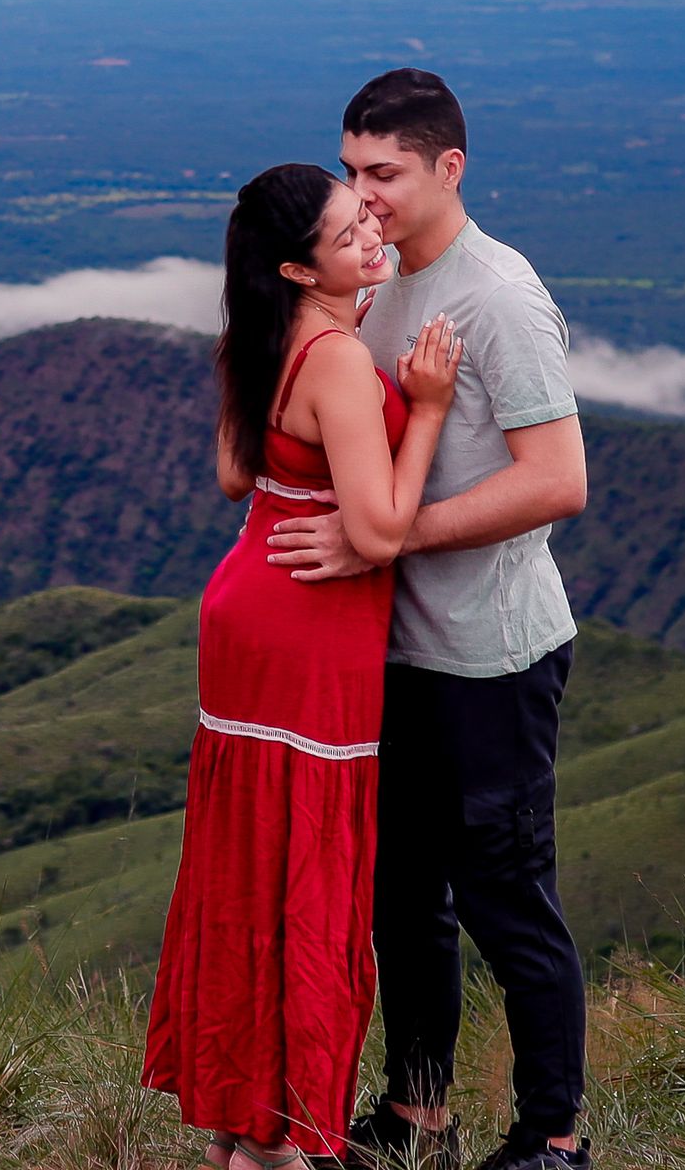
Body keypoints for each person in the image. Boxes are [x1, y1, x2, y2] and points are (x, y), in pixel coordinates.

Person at [265, 70, 592, 1170]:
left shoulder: (496, 295)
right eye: (351, 172)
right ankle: (418, 1116)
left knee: (507, 901)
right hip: (394, 652)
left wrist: (388, 537)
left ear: (450, 167)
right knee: (401, 899)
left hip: (492, 656)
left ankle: (555, 1136)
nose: (363, 196)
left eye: (385, 173)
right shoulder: (378, 283)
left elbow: (557, 481)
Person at [143, 162, 463, 1170]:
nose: (370, 231)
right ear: (296, 264)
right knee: (310, 880)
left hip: (246, 609)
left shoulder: (261, 330)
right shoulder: (331, 358)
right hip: (312, 630)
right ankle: (287, 1138)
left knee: (247, 867)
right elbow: (377, 527)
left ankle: (251, 1127)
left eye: (363, 210)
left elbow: (242, 471)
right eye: (345, 233)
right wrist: (432, 408)